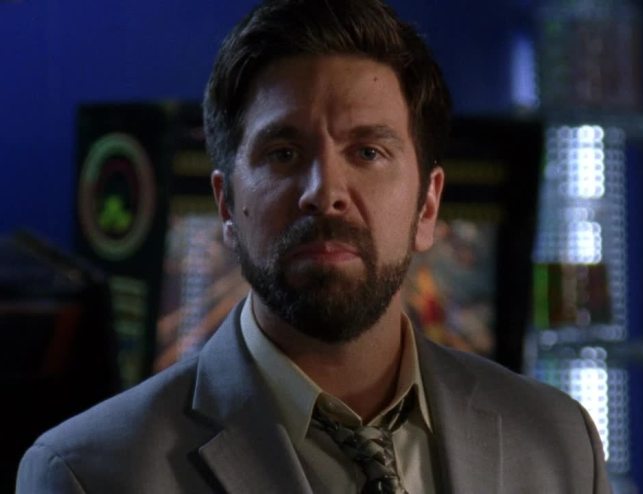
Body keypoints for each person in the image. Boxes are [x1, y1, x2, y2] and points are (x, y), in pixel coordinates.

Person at [16, 0, 611, 492]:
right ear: (226, 206)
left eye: (368, 152)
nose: (325, 193)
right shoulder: (91, 473)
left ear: (428, 206)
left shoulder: (560, 445)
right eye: (284, 154)